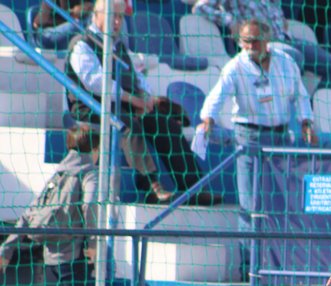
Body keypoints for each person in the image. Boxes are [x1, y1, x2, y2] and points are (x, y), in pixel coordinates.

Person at [65, 0, 220, 206]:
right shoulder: (82, 44)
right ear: (97, 15)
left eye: (121, 17)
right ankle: (151, 187)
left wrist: (147, 98)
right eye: (113, 16)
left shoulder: (118, 46)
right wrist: (132, 99)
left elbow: (136, 77)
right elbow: (95, 82)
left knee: (166, 125)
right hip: (92, 107)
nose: (118, 22)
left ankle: (193, 188)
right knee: (128, 125)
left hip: (124, 105)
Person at [199, 19, 318, 234]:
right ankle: (248, 254)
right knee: (249, 203)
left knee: (280, 198)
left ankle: (275, 251)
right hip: (249, 137)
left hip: (280, 137)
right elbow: (217, 95)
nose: (250, 46)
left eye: (255, 40)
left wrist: (306, 122)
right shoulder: (235, 66)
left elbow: (300, 95)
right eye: (245, 41)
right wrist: (208, 118)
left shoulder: (286, 62)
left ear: (267, 39)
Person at [0, 126, 99, 286]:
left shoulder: (58, 175)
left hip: (49, 260)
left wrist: (7, 249)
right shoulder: (89, 173)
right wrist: (93, 244)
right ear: (95, 149)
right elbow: (89, 204)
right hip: (74, 259)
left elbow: (30, 212)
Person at [192, 0, 331, 90]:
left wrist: (281, 20)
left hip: (287, 39)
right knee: (294, 57)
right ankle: (287, 118)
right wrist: (231, 21)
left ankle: (311, 114)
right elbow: (200, 7)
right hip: (261, 44)